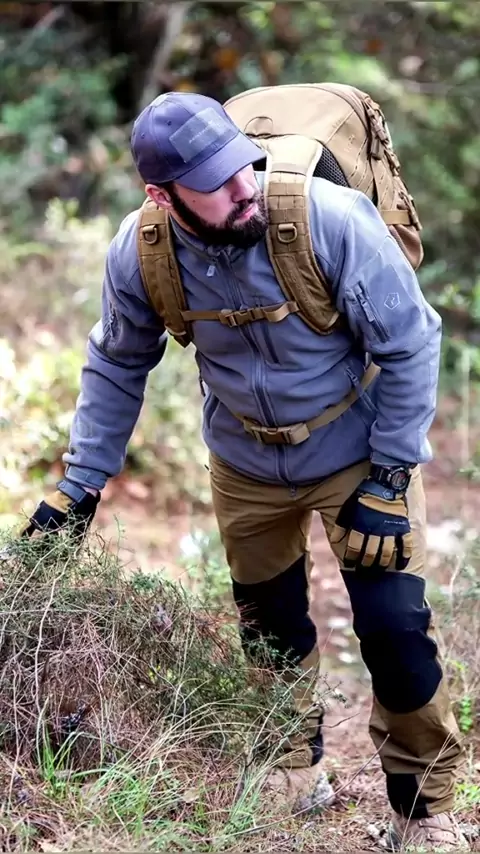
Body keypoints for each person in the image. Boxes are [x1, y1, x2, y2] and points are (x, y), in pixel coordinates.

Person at [23, 91, 467, 850]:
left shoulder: (327, 217)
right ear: (162, 195)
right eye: (215, 183)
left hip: (359, 451)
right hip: (244, 462)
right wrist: (81, 483)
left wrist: (391, 476)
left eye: (243, 167)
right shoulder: (142, 250)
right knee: (269, 624)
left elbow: (411, 341)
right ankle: (294, 770)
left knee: (394, 627)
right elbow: (117, 362)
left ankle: (423, 807)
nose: (242, 188)